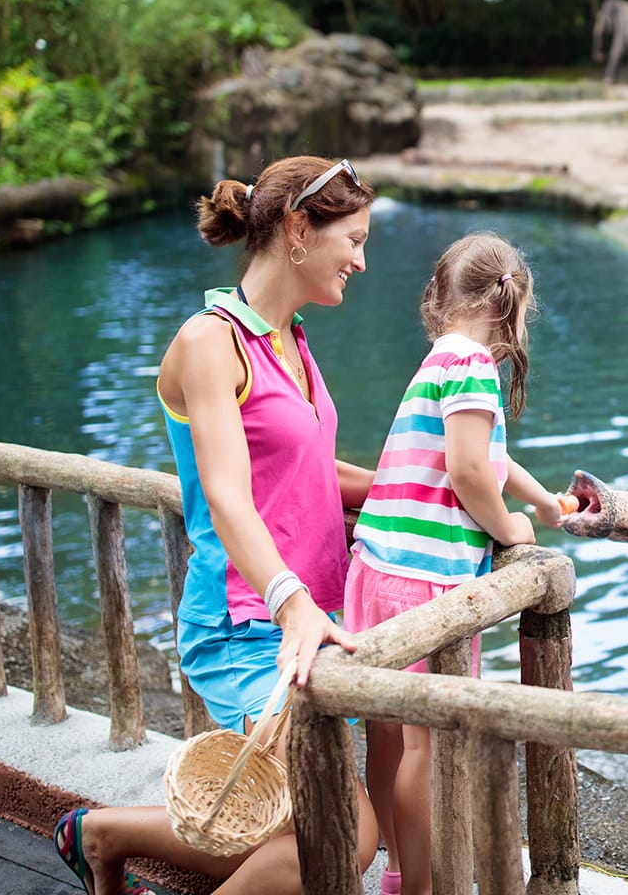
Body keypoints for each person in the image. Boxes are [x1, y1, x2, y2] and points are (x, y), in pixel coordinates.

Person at [52, 155, 381, 895]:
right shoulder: (210, 342)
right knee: (345, 832)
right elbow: (229, 495)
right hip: (248, 623)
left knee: (277, 821)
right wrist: (292, 601)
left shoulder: (292, 340)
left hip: (311, 616)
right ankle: (100, 834)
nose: (360, 260)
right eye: (352, 240)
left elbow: (310, 473)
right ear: (298, 230)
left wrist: (427, 490)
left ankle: (100, 833)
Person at [344, 231, 566, 895]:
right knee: (425, 745)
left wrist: (543, 503)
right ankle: (421, 886)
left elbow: (488, 453)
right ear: (512, 306)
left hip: (377, 568)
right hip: (425, 581)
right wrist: (508, 525)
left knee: (385, 736)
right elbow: (469, 471)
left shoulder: (442, 358)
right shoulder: (475, 365)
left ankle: (394, 868)